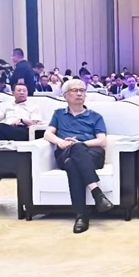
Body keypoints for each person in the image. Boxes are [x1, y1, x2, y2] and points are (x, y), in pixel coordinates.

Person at [44, 79, 113, 234]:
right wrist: (61, 142)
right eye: (75, 90)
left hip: (92, 154)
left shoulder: (95, 116)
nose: (79, 93)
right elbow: (47, 134)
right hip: (65, 151)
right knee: (72, 156)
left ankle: (81, 216)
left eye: (82, 90)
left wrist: (81, 144)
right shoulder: (58, 114)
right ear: (65, 95)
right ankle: (97, 194)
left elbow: (102, 141)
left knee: (72, 162)